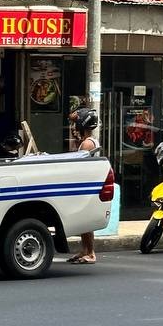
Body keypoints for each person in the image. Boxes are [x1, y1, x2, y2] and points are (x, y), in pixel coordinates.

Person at [67, 106, 100, 265]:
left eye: (76, 124)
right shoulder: (85, 142)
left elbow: (77, 163)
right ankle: (85, 250)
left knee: (86, 221)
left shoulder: (88, 144)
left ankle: (91, 253)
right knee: (84, 220)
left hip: (88, 186)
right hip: (86, 185)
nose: (73, 128)